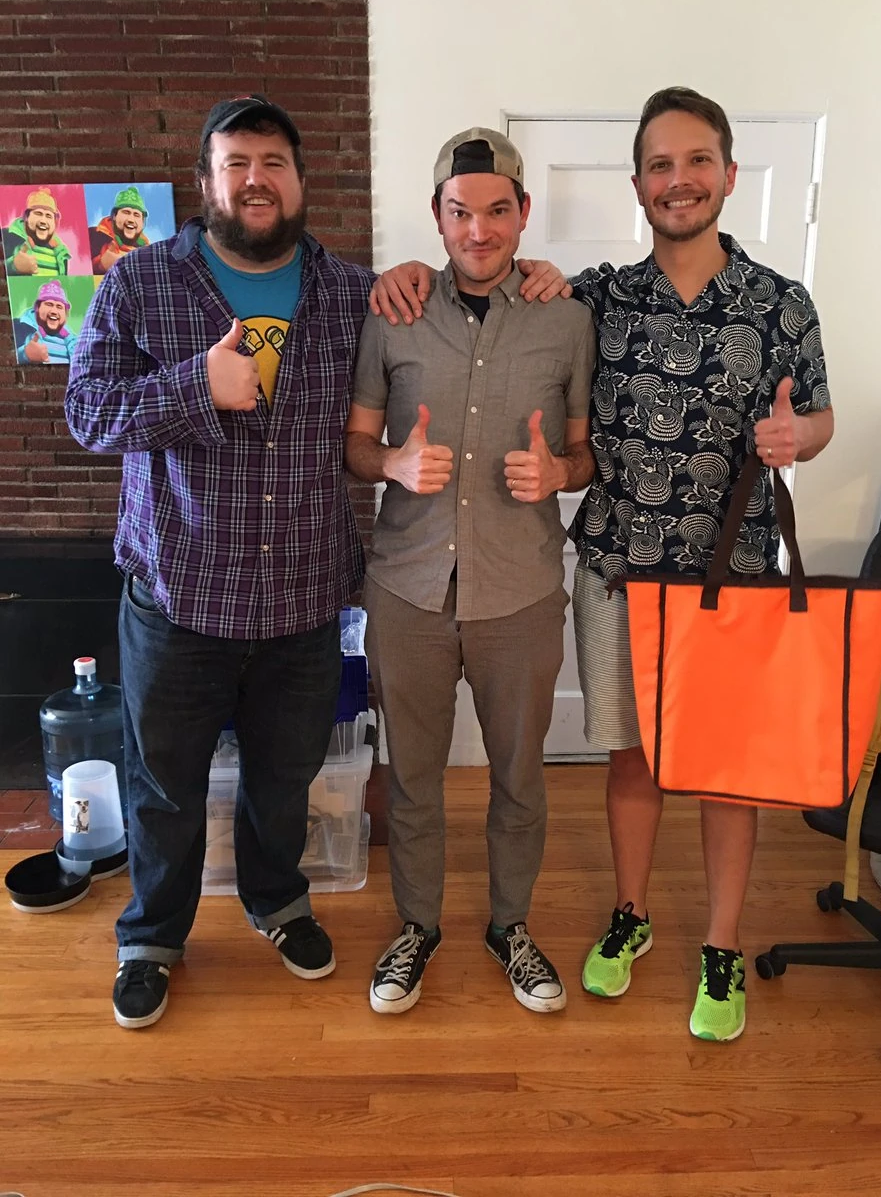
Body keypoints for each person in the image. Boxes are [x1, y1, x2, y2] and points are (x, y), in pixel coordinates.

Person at [368, 88, 834, 1042]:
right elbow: (491, 283)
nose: (679, 180)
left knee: (724, 775)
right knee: (630, 759)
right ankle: (629, 915)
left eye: (696, 162)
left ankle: (720, 947)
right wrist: (409, 271)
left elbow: (818, 413)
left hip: (733, 574)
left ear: (728, 175)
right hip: (618, 566)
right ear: (637, 184)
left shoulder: (779, 303)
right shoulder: (599, 296)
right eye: (660, 165)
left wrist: (803, 437)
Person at [65, 94, 374, 1030]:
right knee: (163, 788)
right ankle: (153, 937)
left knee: (284, 781)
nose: (255, 179)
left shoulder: (352, 293)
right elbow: (88, 413)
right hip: (178, 597)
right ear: (206, 182)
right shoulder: (139, 284)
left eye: (273, 162)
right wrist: (195, 386)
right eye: (236, 163)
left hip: (304, 600)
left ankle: (277, 902)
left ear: (301, 180)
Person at [345, 128, 596, 1015]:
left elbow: (585, 455)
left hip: (519, 593)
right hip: (406, 590)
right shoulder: (395, 313)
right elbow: (355, 445)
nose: (479, 231)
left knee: (519, 777)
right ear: (438, 216)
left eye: (497, 211)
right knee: (412, 777)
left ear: (523, 213)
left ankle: (510, 926)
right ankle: (417, 926)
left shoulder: (568, 320)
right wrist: (392, 463)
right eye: (461, 212)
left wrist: (559, 474)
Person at [2, 188, 71, 276]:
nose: (43, 221)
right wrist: (12, 266)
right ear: (26, 217)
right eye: (38, 213)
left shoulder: (61, 253)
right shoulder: (6, 237)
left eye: (48, 216)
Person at [13, 279, 78, 364]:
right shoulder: (19, 327)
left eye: (59, 307)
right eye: (49, 304)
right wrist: (24, 354)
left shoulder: (75, 341)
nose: (54, 311)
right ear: (37, 308)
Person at [90, 186, 151, 274]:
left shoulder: (148, 251)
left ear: (142, 222)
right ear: (114, 216)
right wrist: (99, 265)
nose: (131, 219)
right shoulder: (92, 236)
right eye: (126, 212)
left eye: (136, 215)